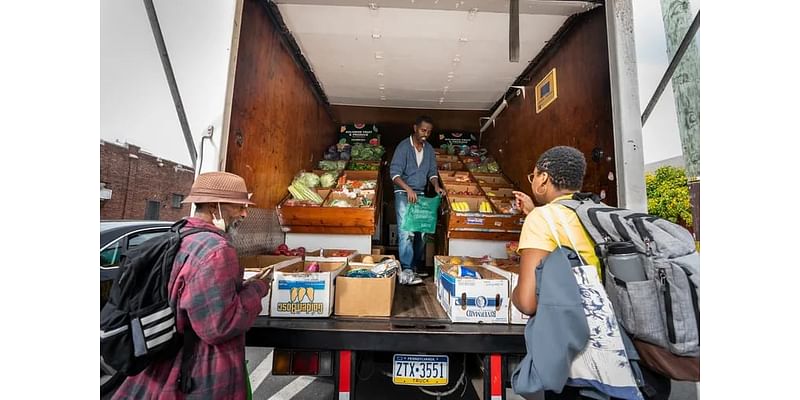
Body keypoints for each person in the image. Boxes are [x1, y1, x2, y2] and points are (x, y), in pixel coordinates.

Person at [112, 171, 270, 400]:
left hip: (161, 363)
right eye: (238, 206)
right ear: (215, 207)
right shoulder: (217, 251)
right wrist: (258, 288)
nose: (245, 213)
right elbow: (219, 326)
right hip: (198, 375)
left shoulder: (180, 235)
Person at [510, 146, 644, 400]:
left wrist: (512, 295)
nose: (533, 182)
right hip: (619, 346)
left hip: (574, 353)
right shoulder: (601, 212)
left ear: (544, 178)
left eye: (534, 176)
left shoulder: (542, 218)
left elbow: (528, 302)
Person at [390, 115, 445, 285]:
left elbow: (432, 173)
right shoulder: (403, 147)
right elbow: (394, 174)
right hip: (403, 193)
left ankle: (413, 267)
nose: (426, 134)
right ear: (415, 128)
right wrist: (408, 189)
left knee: (421, 232)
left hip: (420, 195)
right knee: (406, 232)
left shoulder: (428, 149)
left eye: (429, 131)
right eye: (423, 130)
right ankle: (406, 269)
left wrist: (436, 186)